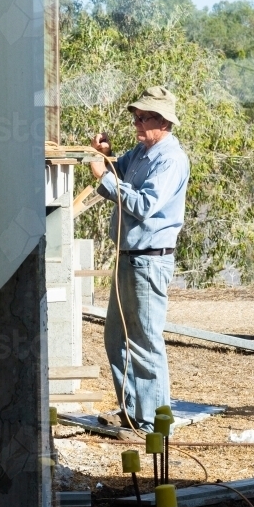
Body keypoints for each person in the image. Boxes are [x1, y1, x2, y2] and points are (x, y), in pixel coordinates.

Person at [88, 86, 190, 432]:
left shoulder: (170, 158)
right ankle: (132, 411)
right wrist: (107, 155)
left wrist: (102, 176)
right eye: (136, 116)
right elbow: (119, 170)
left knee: (145, 343)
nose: (137, 122)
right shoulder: (143, 152)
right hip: (130, 258)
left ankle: (153, 422)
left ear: (163, 121)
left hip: (149, 260)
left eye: (143, 117)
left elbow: (144, 206)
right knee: (116, 339)